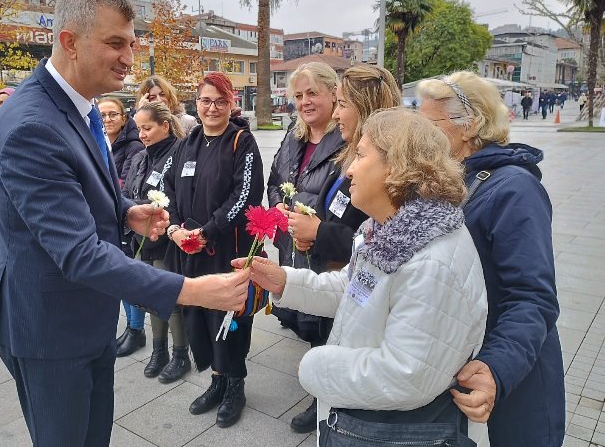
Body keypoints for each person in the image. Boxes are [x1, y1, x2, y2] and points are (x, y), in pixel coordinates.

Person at [0, 0, 250, 447]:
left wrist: (126, 212)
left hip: (85, 316)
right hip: (51, 330)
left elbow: (81, 192)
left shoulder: (76, 107)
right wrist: (190, 290)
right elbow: (78, 253)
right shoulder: (33, 125)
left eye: (131, 42)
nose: (130, 56)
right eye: (115, 43)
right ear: (69, 42)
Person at [236, 108, 487, 446]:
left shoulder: (430, 262)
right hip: (369, 416)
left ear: (397, 167)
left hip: (394, 431)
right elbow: (356, 289)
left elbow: (406, 376)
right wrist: (284, 281)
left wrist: (315, 367)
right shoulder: (387, 228)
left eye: (361, 156)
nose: (350, 169)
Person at [417, 71, 564, 447]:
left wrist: (497, 369)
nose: (419, 132)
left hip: (508, 384)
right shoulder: (451, 180)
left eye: (429, 122)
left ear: (471, 125)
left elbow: (532, 298)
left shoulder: (514, 189)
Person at [163, 71, 264, 428]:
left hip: (225, 252)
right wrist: (175, 229)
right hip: (187, 250)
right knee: (199, 317)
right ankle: (216, 380)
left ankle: (235, 383)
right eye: (206, 100)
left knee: (230, 320)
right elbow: (168, 187)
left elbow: (246, 196)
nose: (213, 108)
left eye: (221, 101)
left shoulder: (242, 143)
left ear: (232, 103)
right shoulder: (186, 142)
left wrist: (208, 231)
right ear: (197, 102)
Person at [265, 62, 346, 431]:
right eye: (298, 95)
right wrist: (277, 208)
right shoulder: (293, 136)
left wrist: (314, 223)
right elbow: (273, 180)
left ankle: (322, 399)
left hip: (324, 247)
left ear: (333, 94)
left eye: (312, 93)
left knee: (325, 323)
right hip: (292, 241)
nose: (304, 102)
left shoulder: (346, 140)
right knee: (303, 315)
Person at [122, 101, 190, 382]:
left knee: (170, 297)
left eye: (147, 128)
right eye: (139, 129)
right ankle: (158, 349)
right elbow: (126, 192)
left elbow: (180, 197)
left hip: (167, 236)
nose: (142, 134)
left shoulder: (180, 152)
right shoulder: (141, 156)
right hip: (142, 237)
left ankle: (180, 353)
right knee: (150, 295)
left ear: (165, 125)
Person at [99, 95, 147, 354]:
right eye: (103, 115)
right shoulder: (99, 141)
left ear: (124, 118)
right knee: (117, 276)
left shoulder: (133, 147)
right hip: (107, 219)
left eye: (112, 114)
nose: (107, 119)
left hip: (126, 218)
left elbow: (123, 185)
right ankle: (130, 327)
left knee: (128, 275)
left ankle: (136, 329)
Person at [98, 97, 143, 185]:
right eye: (101, 115)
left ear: (123, 120)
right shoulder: (93, 146)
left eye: (113, 114)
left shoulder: (135, 148)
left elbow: (126, 185)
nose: (107, 120)